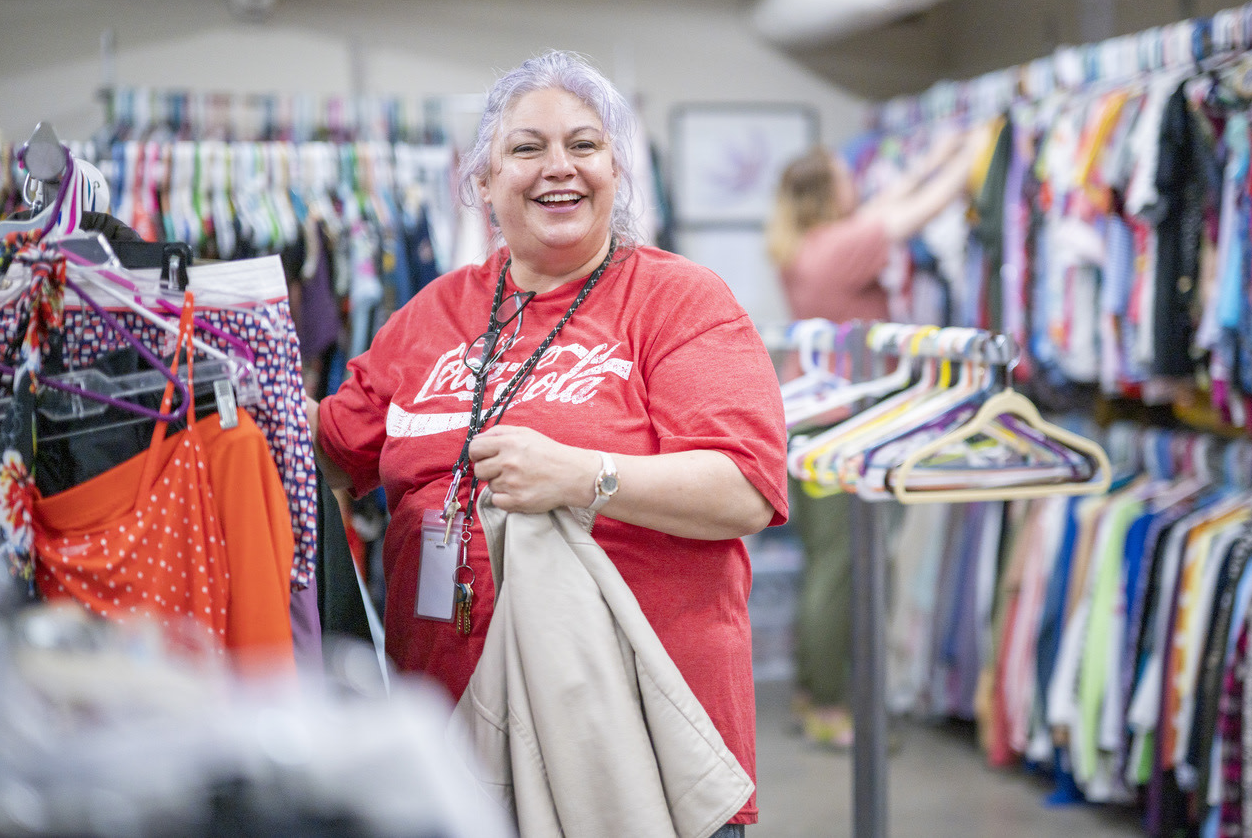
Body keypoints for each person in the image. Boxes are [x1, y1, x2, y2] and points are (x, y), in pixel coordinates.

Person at [308, 50, 788, 834]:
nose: (558, 167)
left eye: (584, 145)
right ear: (482, 180)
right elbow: (330, 448)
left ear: (616, 170)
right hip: (449, 744)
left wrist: (584, 475)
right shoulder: (432, 314)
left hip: (635, 748)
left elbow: (744, 488)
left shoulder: (679, 300)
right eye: (527, 147)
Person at [765, 132, 985, 749]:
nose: (856, 184)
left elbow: (890, 201)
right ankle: (831, 706)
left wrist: (936, 155)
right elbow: (917, 210)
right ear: (826, 192)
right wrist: (973, 155)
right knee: (840, 568)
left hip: (811, 418)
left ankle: (814, 692)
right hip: (842, 424)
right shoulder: (842, 247)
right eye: (845, 177)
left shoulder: (809, 245)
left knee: (826, 563)